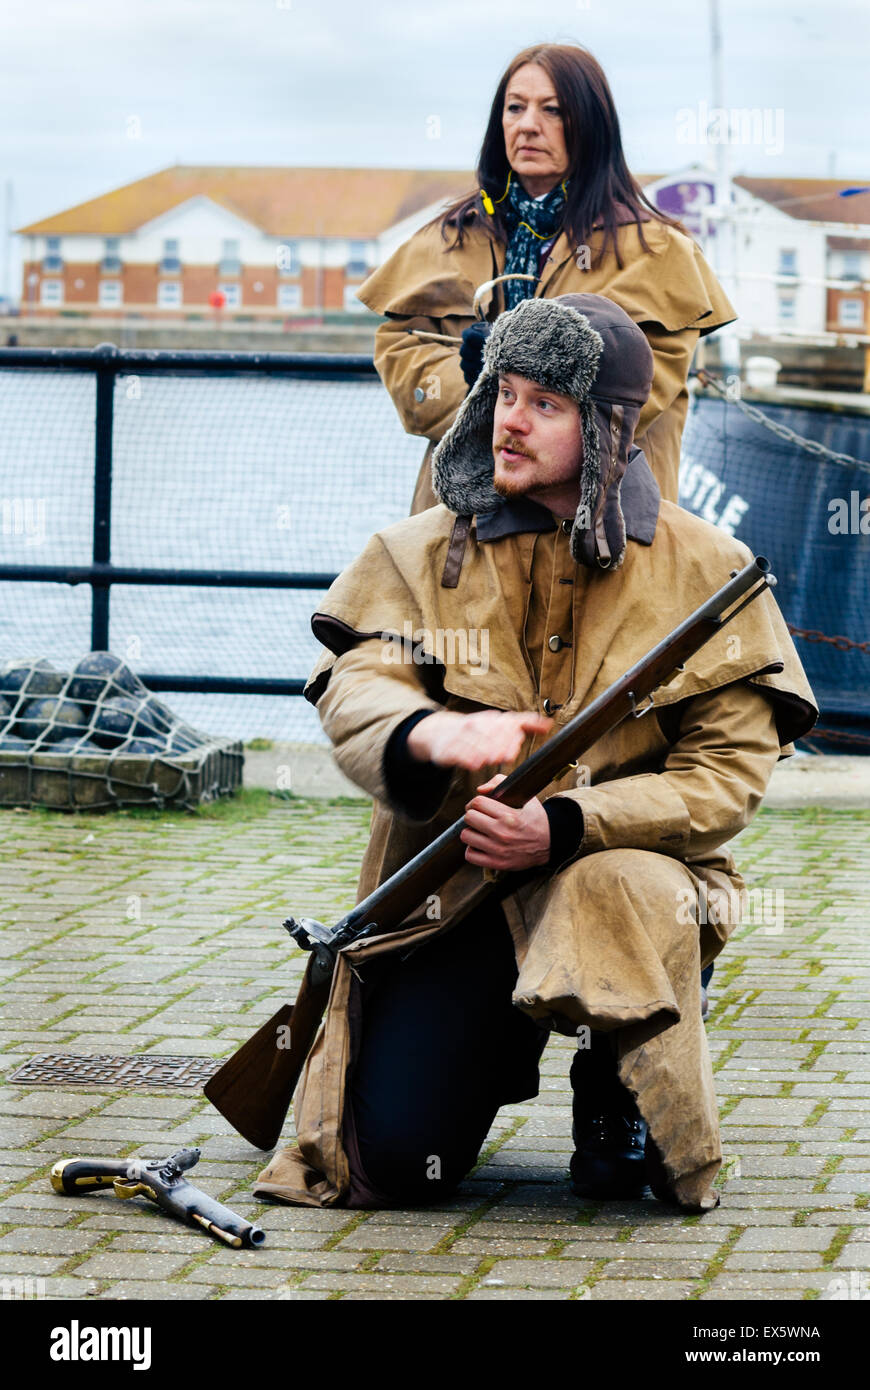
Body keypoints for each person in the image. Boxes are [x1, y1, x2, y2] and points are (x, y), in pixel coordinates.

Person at [255, 294, 817, 1215]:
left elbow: (723, 783)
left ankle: (617, 1072)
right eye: (503, 393)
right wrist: (420, 733)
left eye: (544, 404)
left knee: (612, 887)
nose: (508, 420)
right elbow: (359, 684)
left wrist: (565, 825)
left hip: (626, 884)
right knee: (394, 1161)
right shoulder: (416, 550)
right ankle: (495, 1042)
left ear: (604, 428)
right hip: (458, 897)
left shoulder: (709, 570)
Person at [357, 42, 736, 514]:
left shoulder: (657, 251)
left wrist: (498, 382)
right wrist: (502, 395)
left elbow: (634, 398)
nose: (528, 124)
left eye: (552, 110)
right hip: (465, 528)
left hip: (599, 532)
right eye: (515, 107)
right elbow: (405, 365)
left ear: (592, 126)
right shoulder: (448, 239)